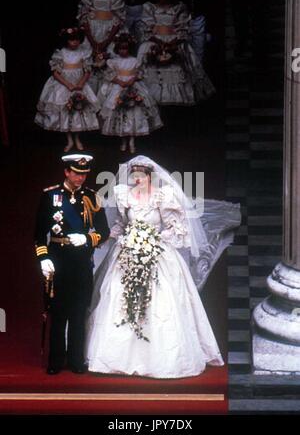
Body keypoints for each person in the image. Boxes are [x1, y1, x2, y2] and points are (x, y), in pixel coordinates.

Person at [85, 155, 241, 378]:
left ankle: (163, 359)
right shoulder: (123, 194)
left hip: (158, 253)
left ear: (150, 177)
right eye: (134, 175)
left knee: (163, 300)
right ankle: (115, 357)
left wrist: (152, 241)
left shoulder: (163, 196)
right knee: (118, 297)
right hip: (127, 252)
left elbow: (177, 229)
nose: (136, 179)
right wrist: (114, 237)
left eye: (141, 176)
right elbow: (121, 223)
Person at [35, 154, 110, 375]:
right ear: (66, 171)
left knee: (78, 312)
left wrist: (88, 239)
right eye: (76, 173)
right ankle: (56, 360)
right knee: (58, 312)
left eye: (84, 174)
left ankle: (76, 359)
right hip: (58, 259)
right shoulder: (51, 196)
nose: (80, 178)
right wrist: (43, 258)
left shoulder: (93, 197)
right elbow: (39, 234)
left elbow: (104, 232)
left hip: (82, 262)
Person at [137, 0, 215, 106]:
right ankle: (152, 96)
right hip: (155, 40)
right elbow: (146, 29)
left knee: (178, 62)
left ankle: (177, 96)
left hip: (174, 41)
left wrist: (173, 43)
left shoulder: (179, 8)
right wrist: (158, 41)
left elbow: (183, 28)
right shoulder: (149, 7)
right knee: (149, 59)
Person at [35, 27, 100, 152]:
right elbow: (55, 73)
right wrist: (67, 84)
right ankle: (69, 140)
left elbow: (87, 71)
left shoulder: (83, 52)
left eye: (76, 40)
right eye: (71, 40)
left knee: (78, 111)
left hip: (79, 84)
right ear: (66, 41)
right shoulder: (60, 53)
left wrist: (81, 83)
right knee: (66, 111)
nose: (74, 42)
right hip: (64, 85)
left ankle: (77, 138)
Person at [99, 33, 163, 153]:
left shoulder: (135, 61)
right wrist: (119, 82)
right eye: (121, 48)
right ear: (117, 49)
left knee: (134, 113)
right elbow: (109, 74)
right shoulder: (113, 61)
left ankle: (132, 141)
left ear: (130, 48)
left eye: (126, 48)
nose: (123, 51)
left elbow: (140, 73)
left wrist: (132, 80)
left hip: (133, 86)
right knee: (120, 113)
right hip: (119, 87)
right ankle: (123, 140)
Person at [77, 0, 127, 93]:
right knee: (90, 59)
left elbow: (118, 18)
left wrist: (107, 40)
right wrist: (92, 40)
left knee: (110, 58)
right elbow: (83, 16)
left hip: (110, 30)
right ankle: (89, 94)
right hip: (92, 29)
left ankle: (109, 95)